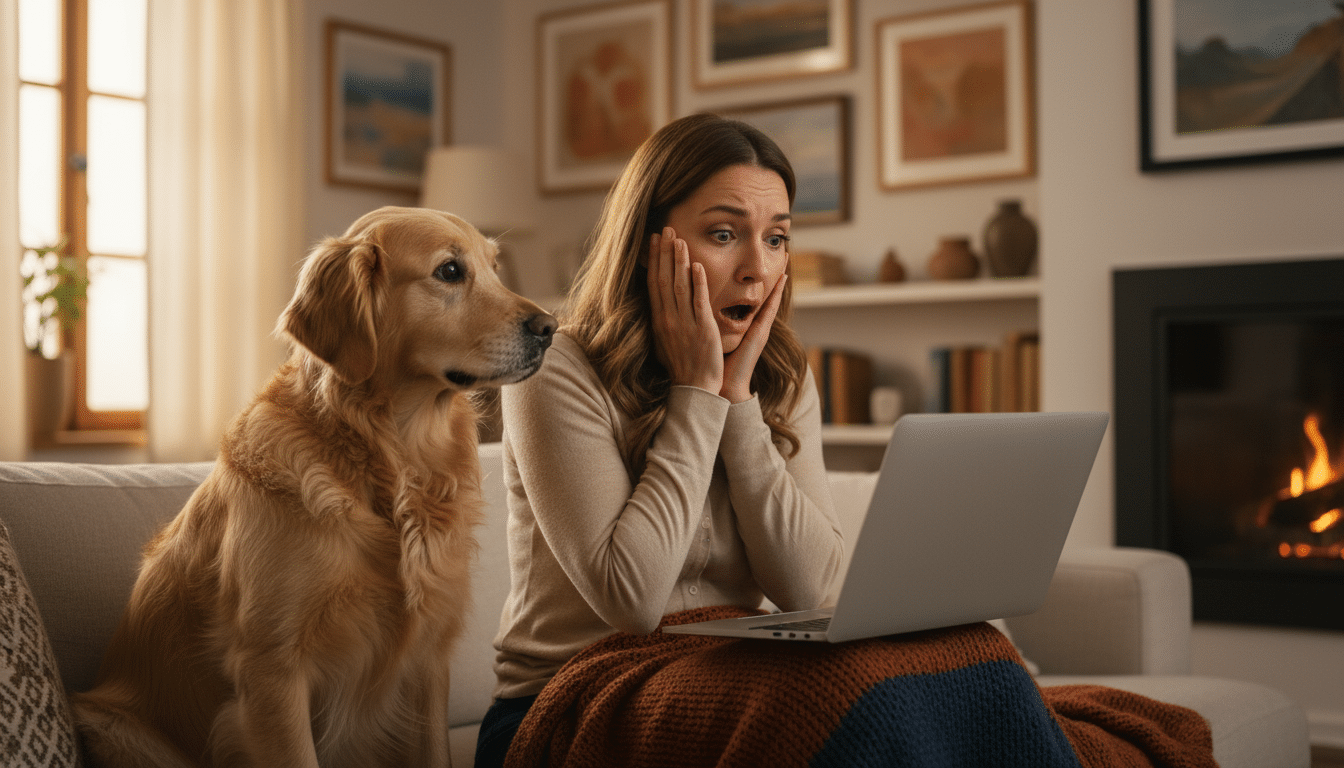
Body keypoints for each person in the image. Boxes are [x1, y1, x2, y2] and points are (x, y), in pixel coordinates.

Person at [475, 112, 844, 767]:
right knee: (811, 702)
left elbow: (811, 593)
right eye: (724, 234)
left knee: (969, 654)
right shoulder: (555, 369)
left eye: (777, 238)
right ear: (650, 242)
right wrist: (698, 392)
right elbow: (633, 600)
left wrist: (739, 403)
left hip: (728, 672)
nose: (757, 269)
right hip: (569, 698)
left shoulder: (783, 376)